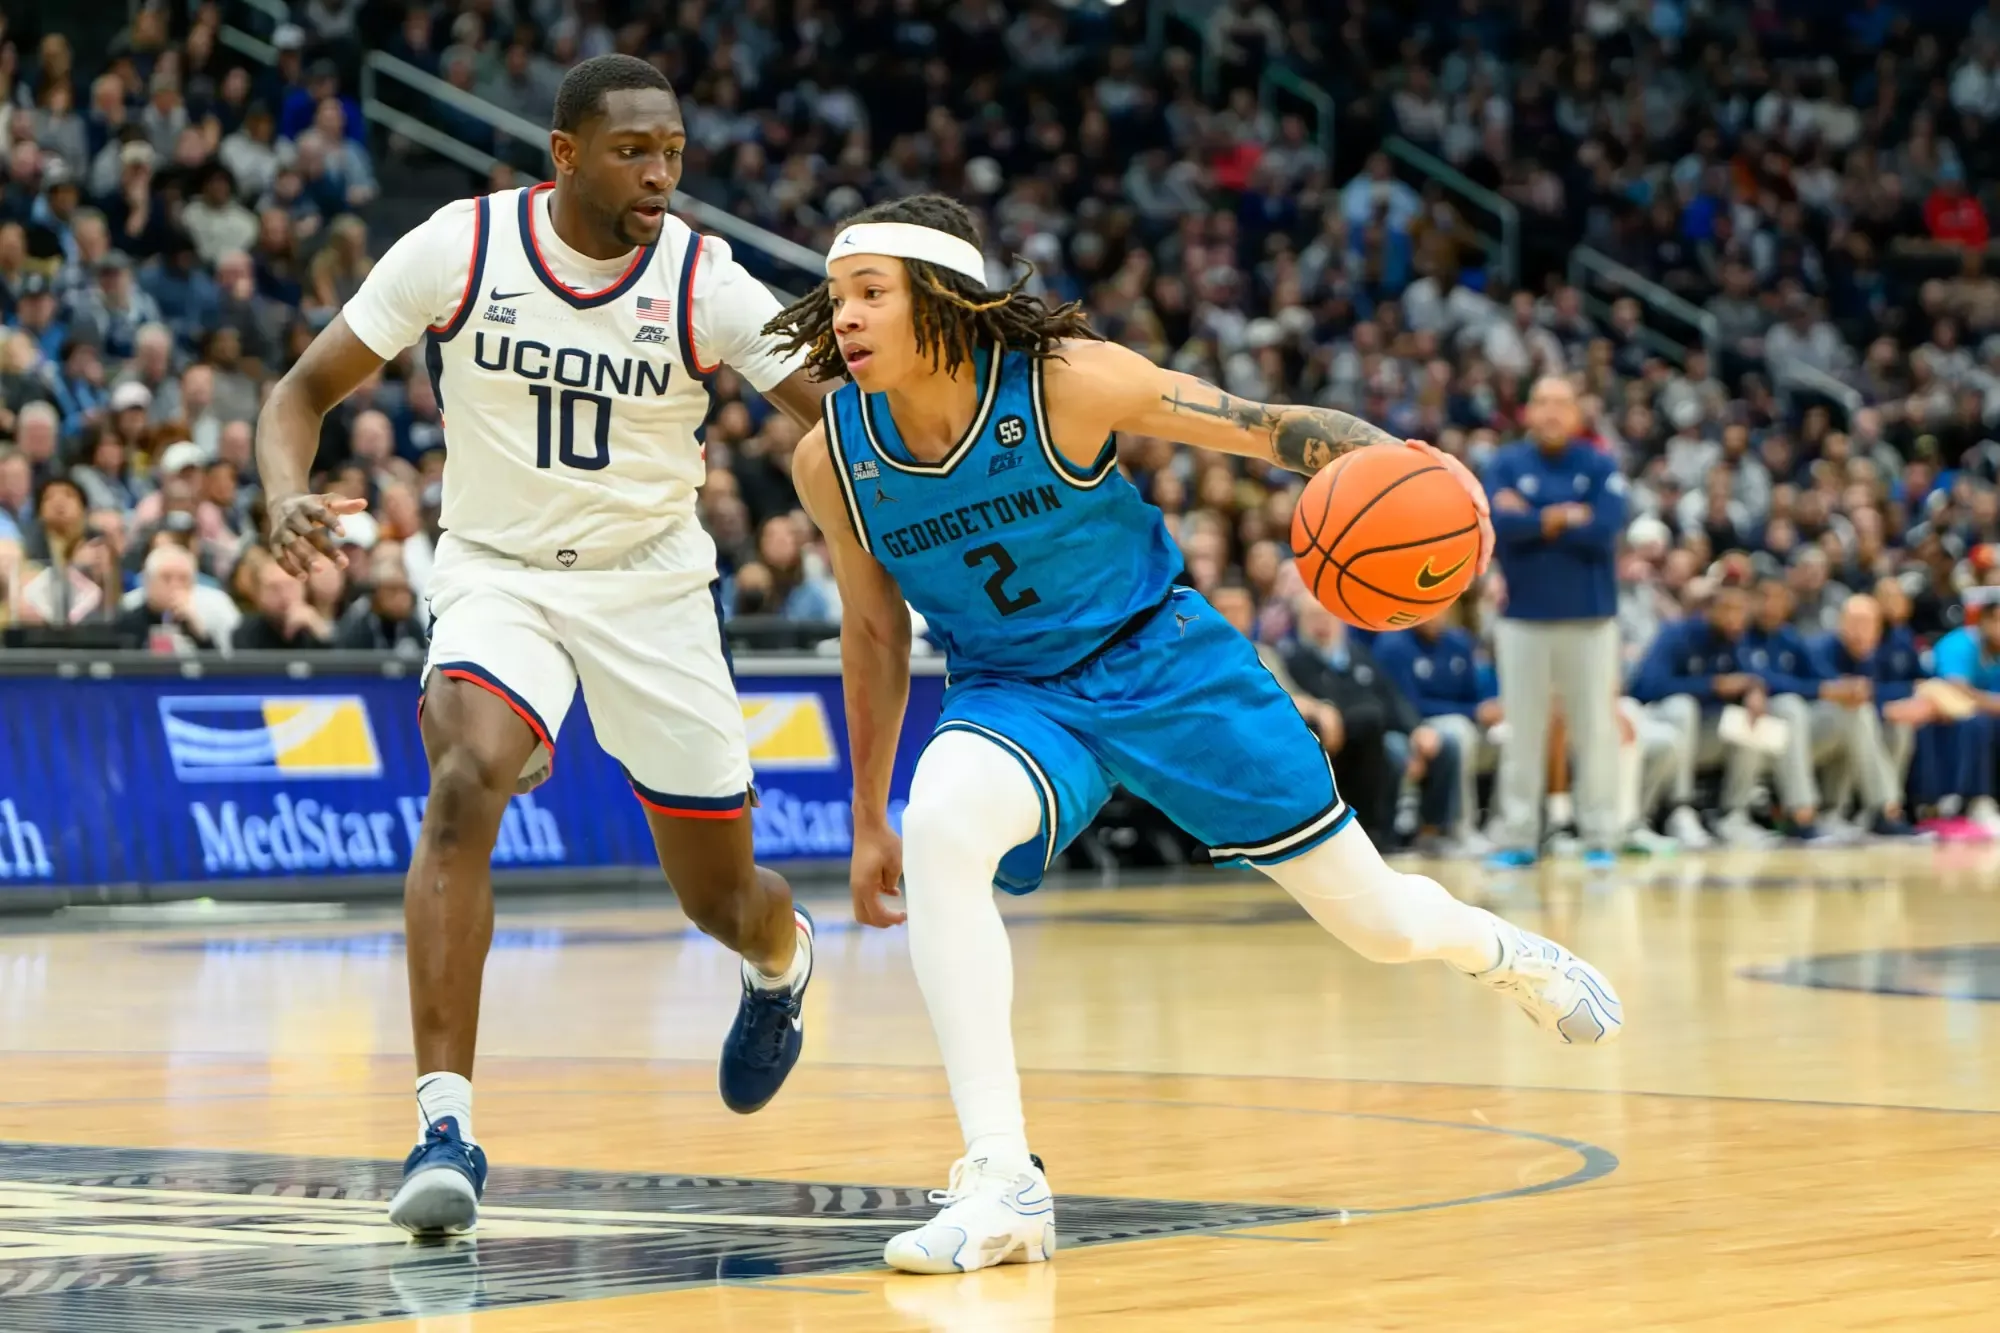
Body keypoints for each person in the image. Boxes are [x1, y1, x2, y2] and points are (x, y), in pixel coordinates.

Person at [765, 193, 1623, 1277]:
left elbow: (1262, 427)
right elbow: (874, 630)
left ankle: (1501, 951)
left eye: (870, 293)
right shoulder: (832, 457)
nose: (843, 316)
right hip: (1014, 692)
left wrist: (1406, 475)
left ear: (942, 299)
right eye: (835, 296)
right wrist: (866, 816)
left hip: (1167, 662)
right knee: (939, 828)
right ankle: (1001, 1178)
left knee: (1376, 924)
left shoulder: (1068, 382)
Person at [253, 56, 830, 1238]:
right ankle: (443, 1127)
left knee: (723, 899)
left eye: (672, 151)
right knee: (463, 778)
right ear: (564, 154)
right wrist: (279, 495)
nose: (660, 173)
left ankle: (780, 958)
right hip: (500, 573)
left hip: (651, 590)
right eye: (633, 151)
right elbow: (297, 394)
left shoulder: (702, 278)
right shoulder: (460, 249)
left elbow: (841, 411)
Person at [1483, 377, 1627, 867]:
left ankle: (1600, 835)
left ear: (1578, 414)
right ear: (1527, 411)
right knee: (1522, 731)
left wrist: (1536, 518)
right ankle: (1518, 837)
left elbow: (1605, 528)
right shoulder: (1505, 463)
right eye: (1542, 402)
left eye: (1561, 403)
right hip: (1523, 619)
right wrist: (1567, 515)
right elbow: (1499, 527)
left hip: (1590, 619)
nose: (1551, 412)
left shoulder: (1599, 462)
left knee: (1595, 730)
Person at [1627, 578, 1775, 848]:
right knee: (1683, 706)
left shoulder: (1737, 641)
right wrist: (1710, 686)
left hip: (1702, 739)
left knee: (1749, 720)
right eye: (1727, 609)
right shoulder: (1676, 634)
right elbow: (1644, 687)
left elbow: (1755, 677)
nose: (1734, 618)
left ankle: (1734, 815)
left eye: (1741, 611)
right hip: (1665, 730)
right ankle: (1679, 808)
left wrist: (1755, 690)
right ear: (1707, 611)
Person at [1372, 612, 1499, 853]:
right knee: (1458, 732)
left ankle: (1499, 825)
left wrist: (1487, 708)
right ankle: (1460, 829)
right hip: (1413, 724)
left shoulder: (1459, 642)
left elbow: (1473, 696)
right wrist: (1473, 712)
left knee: (1506, 737)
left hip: (1461, 720)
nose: (1435, 616)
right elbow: (1406, 705)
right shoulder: (1393, 645)